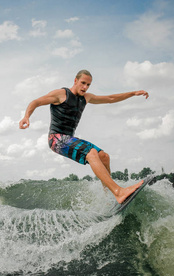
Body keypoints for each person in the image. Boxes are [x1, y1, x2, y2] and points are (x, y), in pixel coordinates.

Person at [19, 70, 149, 205]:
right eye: (83, 83)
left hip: (68, 138)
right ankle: (118, 191)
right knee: (91, 153)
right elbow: (36, 102)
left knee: (104, 157)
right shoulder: (61, 94)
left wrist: (133, 93)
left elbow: (110, 98)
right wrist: (26, 116)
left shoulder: (85, 98)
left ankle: (109, 197)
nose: (85, 87)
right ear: (75, 81)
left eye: (88, 85)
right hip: (56, 139)